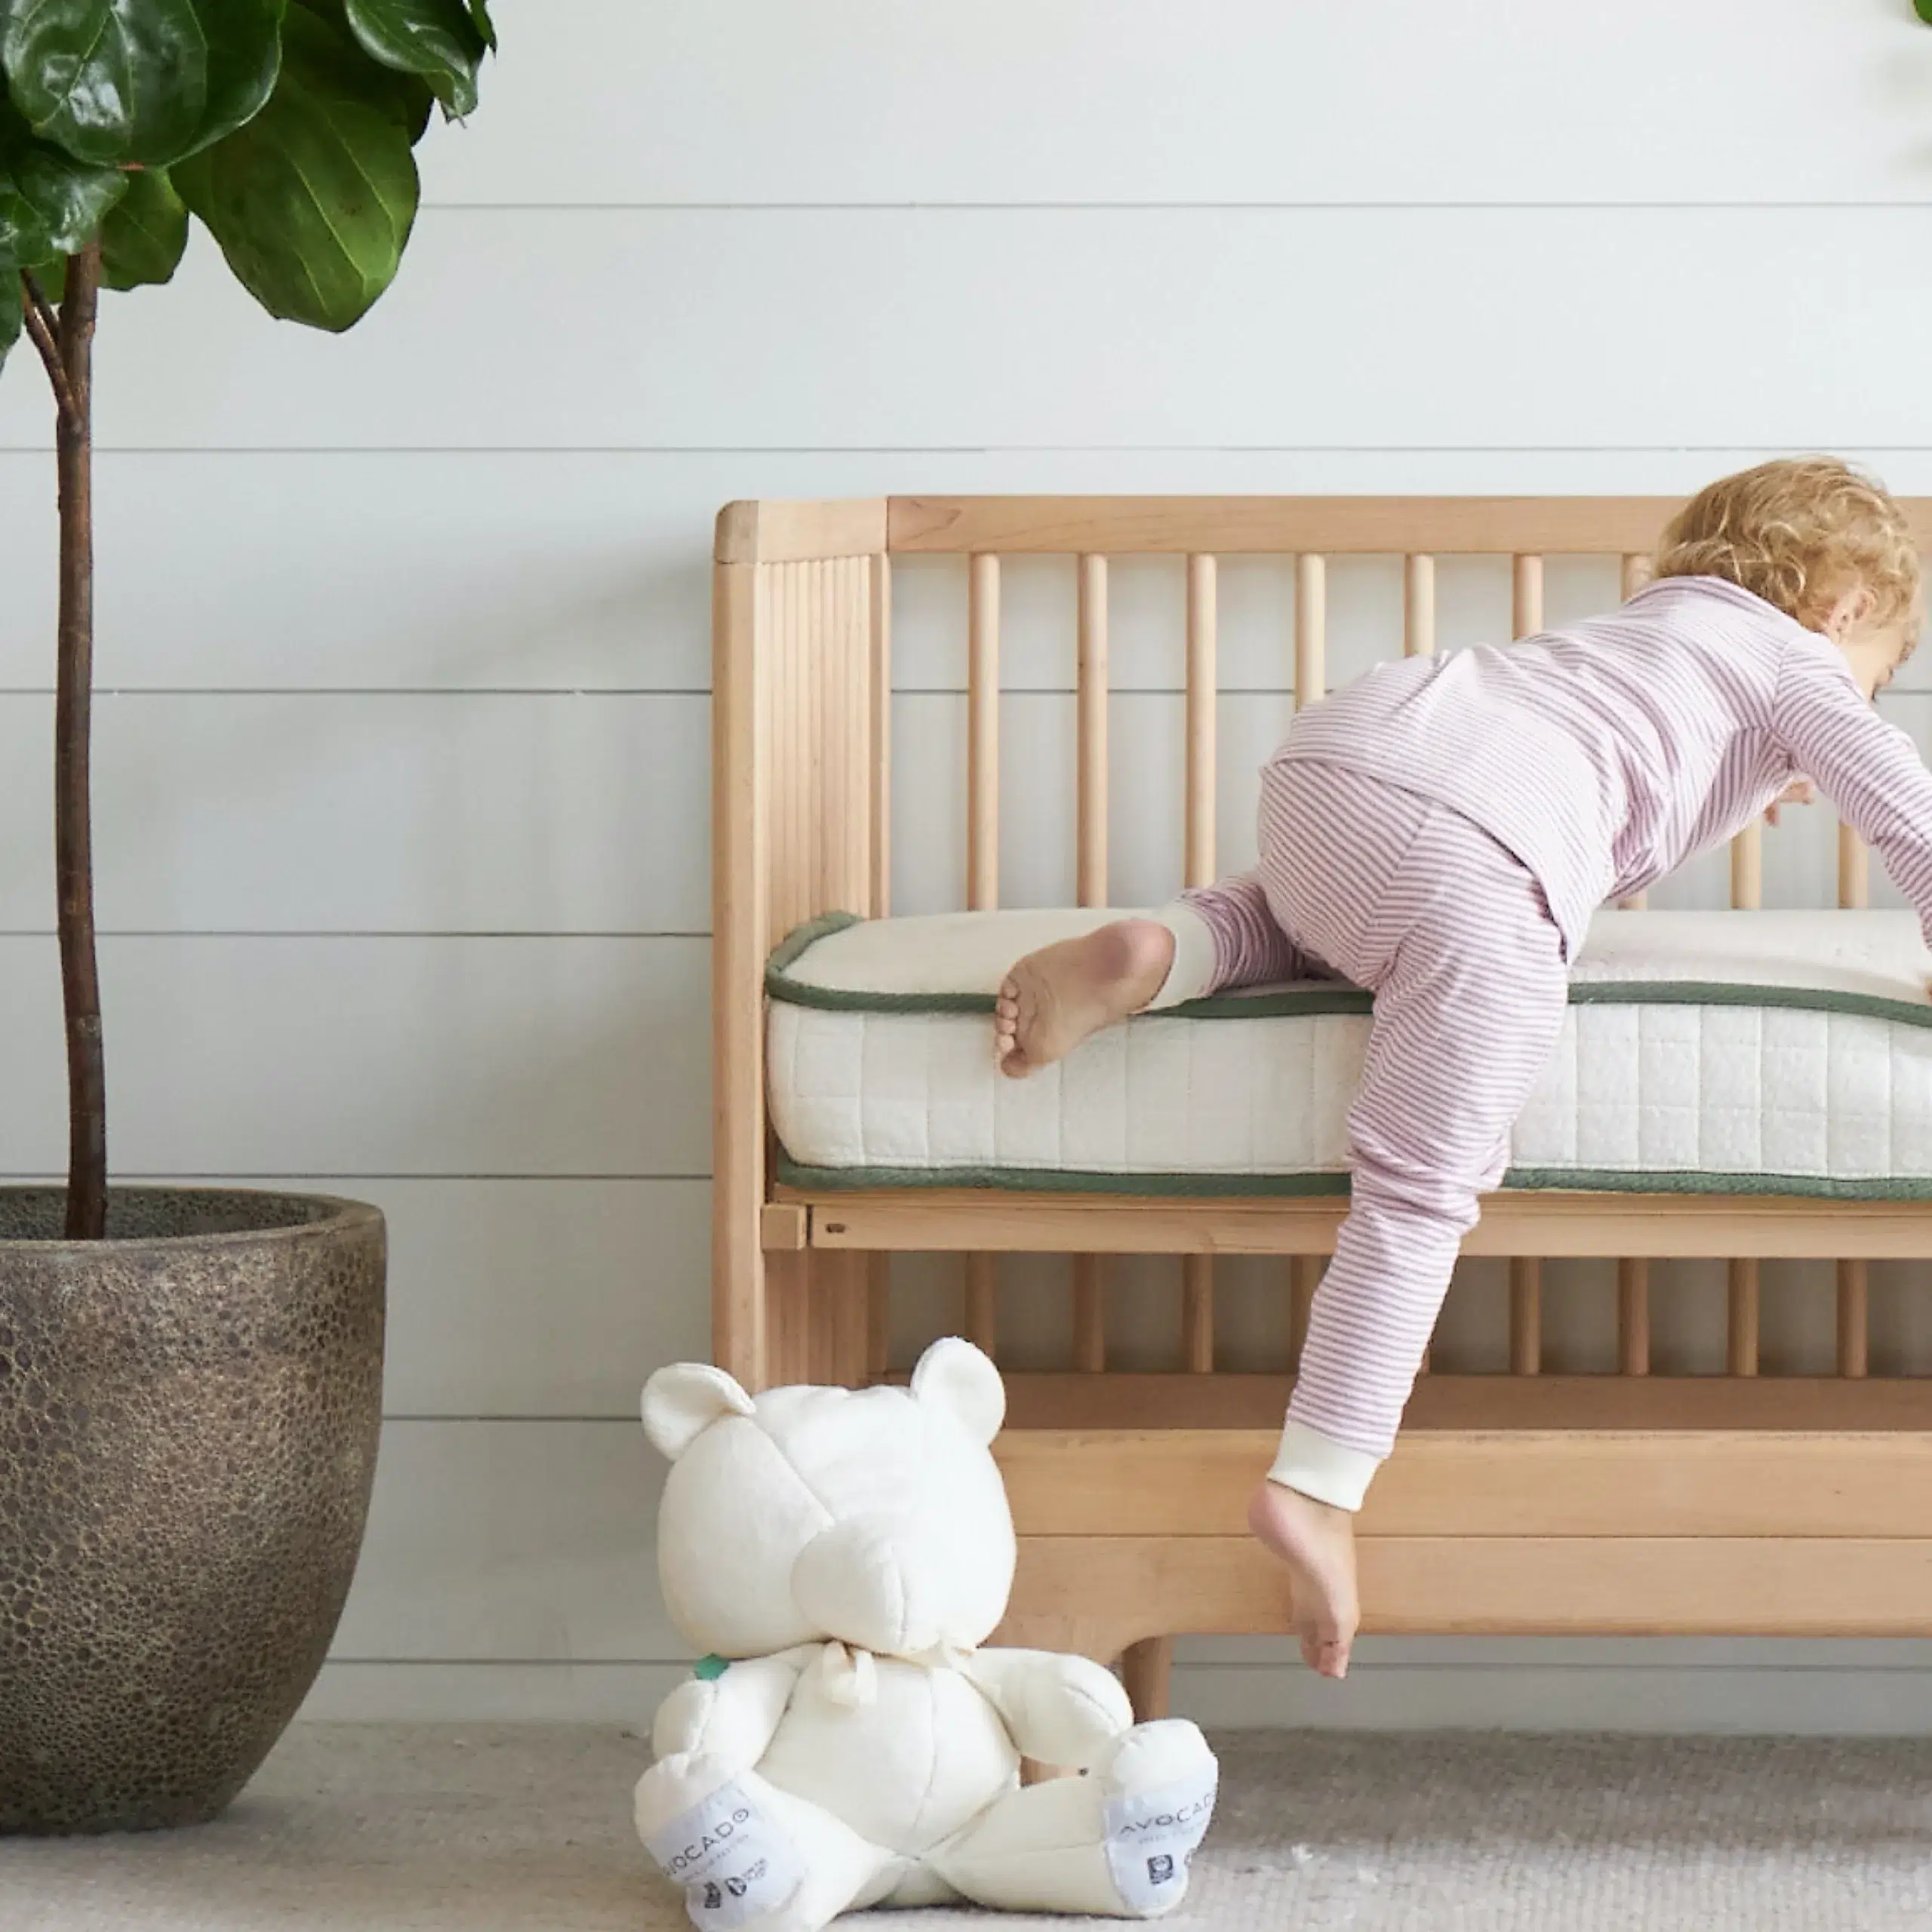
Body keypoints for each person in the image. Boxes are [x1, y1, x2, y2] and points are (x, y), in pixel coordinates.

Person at [991, 457, 1926, 1680]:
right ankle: (1320, 1480)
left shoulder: (1642, 634)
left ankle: (1170, 950)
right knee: (1422, 1176)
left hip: (1340, 767)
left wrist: (1757, 772)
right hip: (1482, 843)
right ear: (1848, 609)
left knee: (1317, 926)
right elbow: (1911, 815)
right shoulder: (1799, 661)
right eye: (1881, 675)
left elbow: (1626, 775)